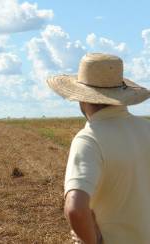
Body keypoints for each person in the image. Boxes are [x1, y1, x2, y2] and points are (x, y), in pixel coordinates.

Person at [46, 53, 150, 244]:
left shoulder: (89, 139)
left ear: (81, 99)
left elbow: (75, 208)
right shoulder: (147, 129)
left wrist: (91, 240)